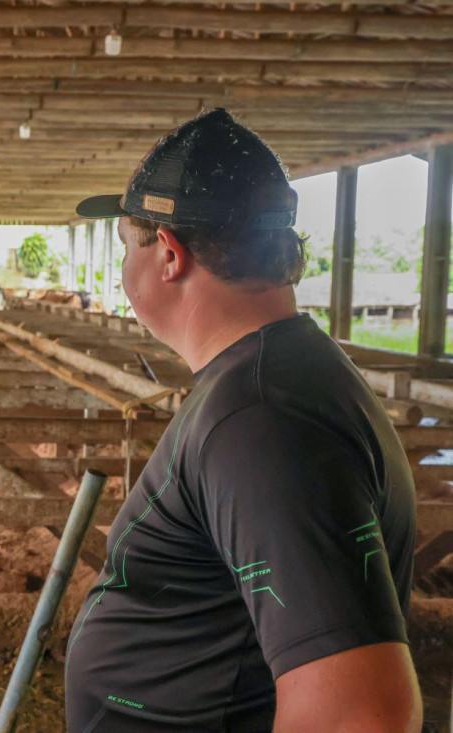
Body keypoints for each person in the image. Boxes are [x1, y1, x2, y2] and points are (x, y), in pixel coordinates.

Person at [65, 109, 422, 732]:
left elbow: (358, 714)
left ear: (168, 254)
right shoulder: (275, 379)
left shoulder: (263, 420)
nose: (124, 268)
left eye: (126, 244)